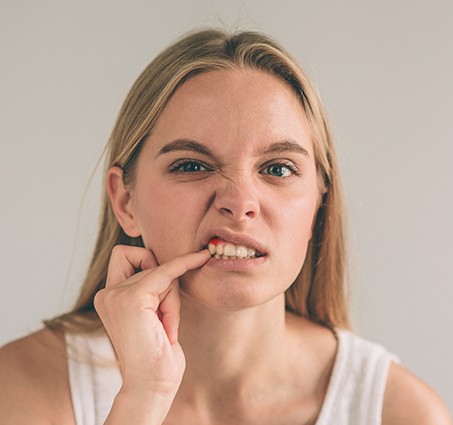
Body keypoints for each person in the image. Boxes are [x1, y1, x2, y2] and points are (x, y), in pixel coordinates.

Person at [0, 28, 451, 425]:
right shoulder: (20, 390)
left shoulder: (400, 414)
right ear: (125, 200)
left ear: (319, 204)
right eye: (193, 164)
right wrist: (144, 397)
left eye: (277, 169)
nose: (239, 203)